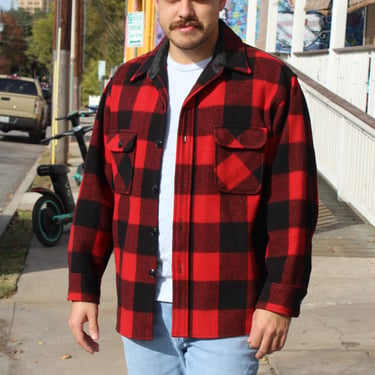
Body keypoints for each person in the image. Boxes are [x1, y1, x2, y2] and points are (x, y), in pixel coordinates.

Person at [68, 0, 318, 374]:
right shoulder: (125, 85)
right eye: (171, 0)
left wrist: (279, 299)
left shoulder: (270, 82)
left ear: (222, 2)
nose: (184, 10)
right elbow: (97, 198)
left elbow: (293, 206)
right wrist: (83, 288)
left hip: (228, 316)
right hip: (142, 311)